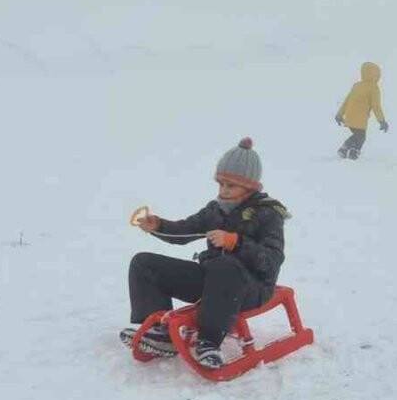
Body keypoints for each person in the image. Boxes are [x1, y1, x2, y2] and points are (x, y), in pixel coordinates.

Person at [121, 137, 289, 369]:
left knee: (226, 266)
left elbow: (271, 261)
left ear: (250, 187)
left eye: (231, 185)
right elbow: (184, 231)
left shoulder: (268, 214)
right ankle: (158, 333)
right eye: (220, 184)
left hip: (251, 289)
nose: (223, 191)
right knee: (143, 263)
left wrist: (236, 243)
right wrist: (158, 225)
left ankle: (209, 341)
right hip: (213, 282)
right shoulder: (216, 210)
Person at [334, 62, 389, 159]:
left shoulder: (357, 86)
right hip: (360, 118)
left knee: (358, 135)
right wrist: (382, 121)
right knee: (361, 137)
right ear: (376, 75)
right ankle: (350, 151)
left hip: (349, 116)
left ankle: (347, 150)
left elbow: (346, 101)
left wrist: (339, 115)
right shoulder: (373, 88)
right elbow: (376, 107)